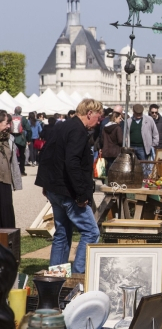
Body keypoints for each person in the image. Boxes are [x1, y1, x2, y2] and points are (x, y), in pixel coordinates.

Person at [35, 99, 103, 273]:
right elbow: (71, 162)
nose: (100, 121)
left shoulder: (62, 126)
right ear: (89, 113)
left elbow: (46, 154)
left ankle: (56, 277)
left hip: (57, 188)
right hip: (68, 191)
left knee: (62, 233)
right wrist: (81, 194)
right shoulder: (77, 131)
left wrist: (46, 185)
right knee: (91, 232)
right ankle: (80, 273)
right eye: (99, 116)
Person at [0, 111, 22, 228]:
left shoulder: (9, 139)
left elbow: (13, 162)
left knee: (6, 212)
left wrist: (16, 181)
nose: (9, 126)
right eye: (6, 123)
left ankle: (7, 244)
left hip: (5, 182)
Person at [127, 104, 158, 175]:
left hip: (143, 147)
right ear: (133, 112)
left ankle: (144, 179)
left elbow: (155, 133)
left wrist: (153, 144)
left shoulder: (149, 120)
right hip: (131, 147)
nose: (138, 115)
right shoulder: (129, 121)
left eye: (140, 113)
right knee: (132, 165)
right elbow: (126, 134)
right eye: (137, 113)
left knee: (144, 165)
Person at [11, 106, 31, 176]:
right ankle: (22, 171)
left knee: (11, 155)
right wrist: (28, 139)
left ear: (14, 111)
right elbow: (28, 129)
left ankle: (12, 171)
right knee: (22, 155)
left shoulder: (11, 117)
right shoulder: (23, 118)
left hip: (12, 138)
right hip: (21, 139)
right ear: (20, 111)